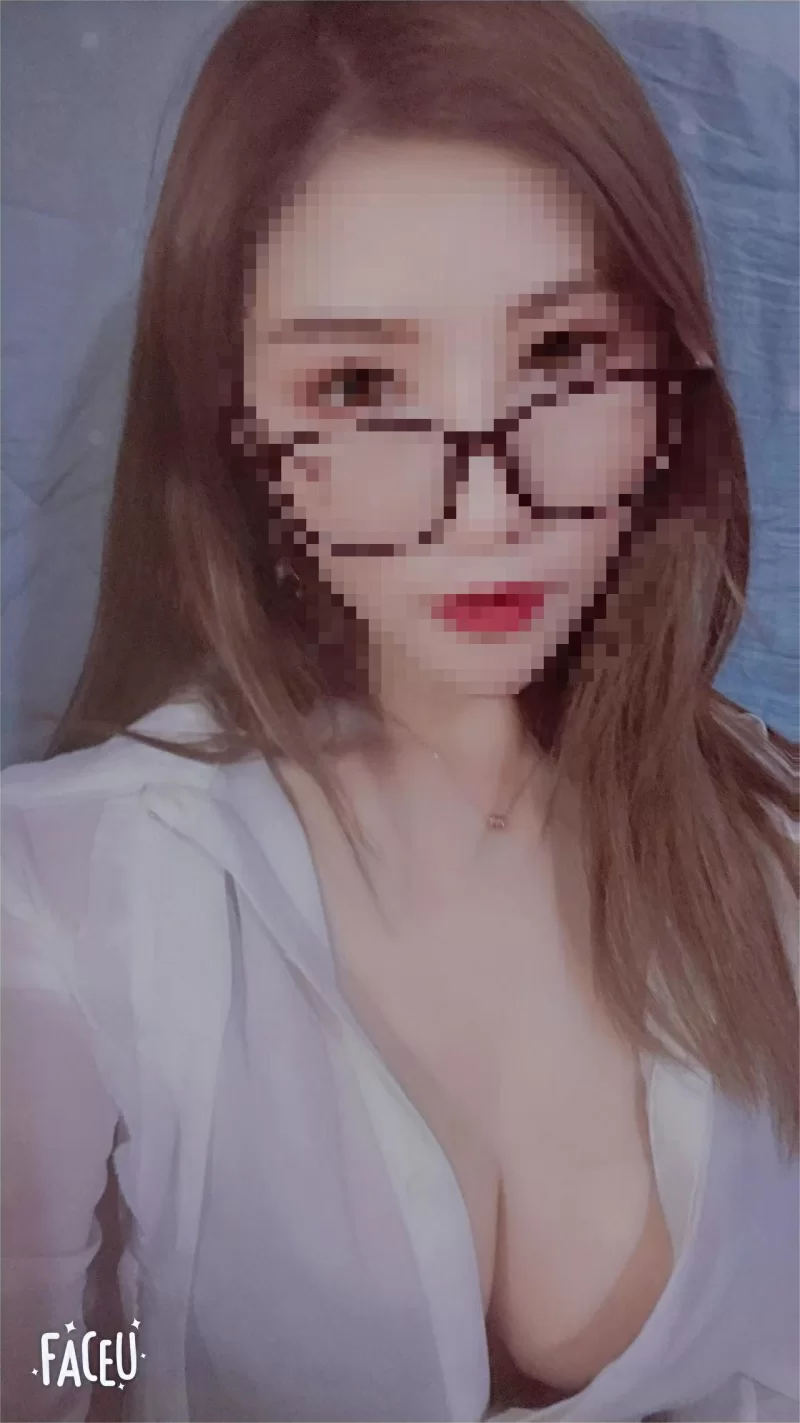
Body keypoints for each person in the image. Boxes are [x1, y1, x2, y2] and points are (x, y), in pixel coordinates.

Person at [2, 3, 798, 1421]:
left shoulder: (769, 839)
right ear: (240, 432)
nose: (485, 512)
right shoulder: (69, 896)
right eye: (362, 386)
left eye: (562, 356)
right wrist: (96, 1363)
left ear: (668, 391)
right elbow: (43, 1369)